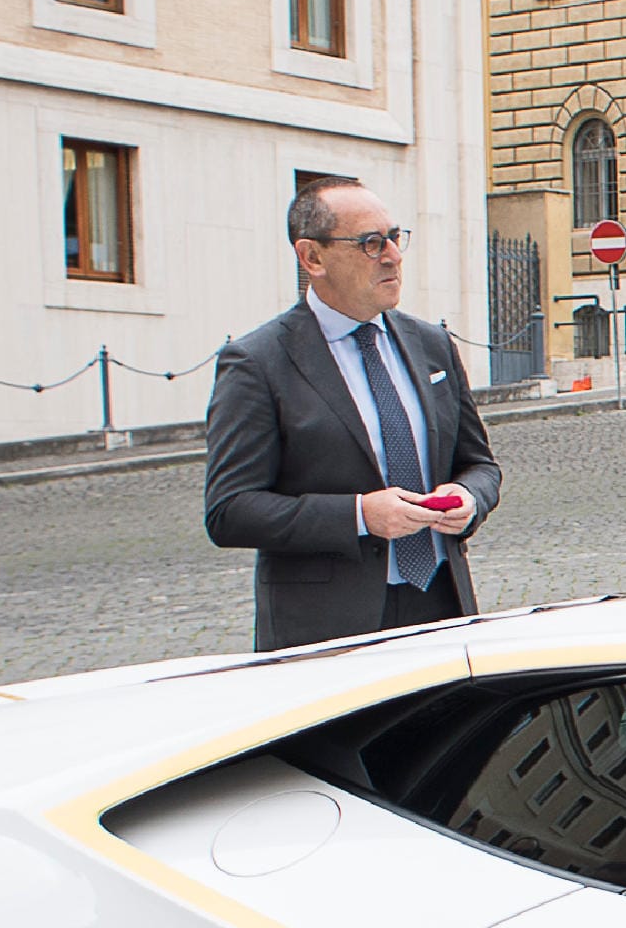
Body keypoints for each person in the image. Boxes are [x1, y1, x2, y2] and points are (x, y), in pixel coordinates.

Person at [203, 177, 502, 652]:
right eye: (369, 243)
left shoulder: (431, 345)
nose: (392, 256)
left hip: (443, 608)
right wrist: (360, 515)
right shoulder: (258, 362)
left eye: (394, 237)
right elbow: (229, 511)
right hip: (329, 629)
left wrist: (468, 497)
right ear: (312, 258)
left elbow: (481, 465)